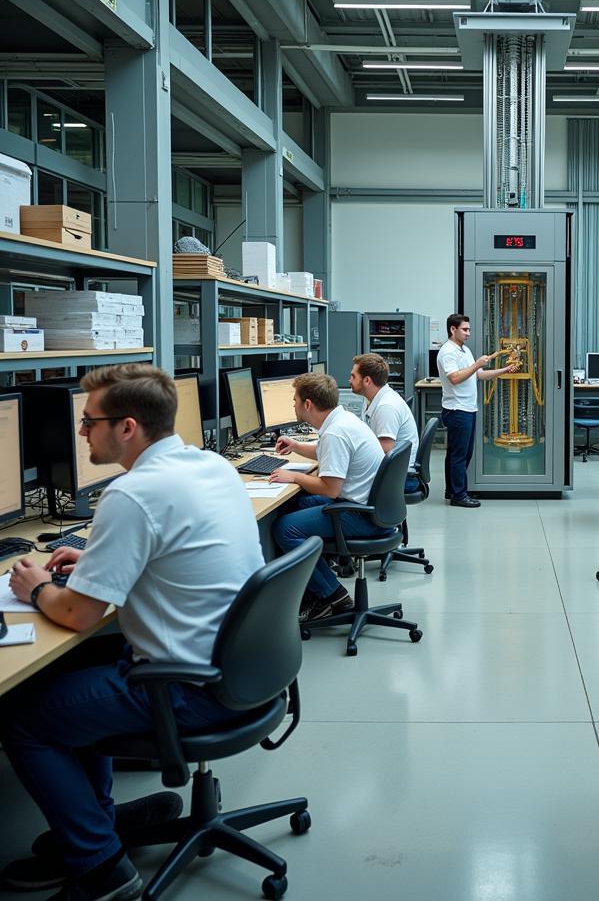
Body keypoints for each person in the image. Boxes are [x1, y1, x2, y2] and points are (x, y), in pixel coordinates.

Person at [0, 363, 264, 901]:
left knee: (22, 719)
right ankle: (97, 821)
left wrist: (34, 588)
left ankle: (101, 868)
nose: (80, 432)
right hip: (242, 668)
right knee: (72, 667)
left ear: (126, 428)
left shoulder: (132, 494)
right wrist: (99, 555)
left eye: (88, 420)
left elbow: (77, 615)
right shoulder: (209, 464)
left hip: (189, 688)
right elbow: (166, 544)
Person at [271, 372, 391, 621]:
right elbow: (325, 451)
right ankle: (310, 590)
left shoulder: (335, 432)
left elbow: (330, 489)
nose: (292, 404)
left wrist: (293, 477)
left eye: (294, 399)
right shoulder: (342, 420)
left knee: (284, 528)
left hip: (361, 515)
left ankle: (332, 595)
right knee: (293, 505)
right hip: (372, 507)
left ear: (307, 404)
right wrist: (295, 446)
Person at [436, 313, 516, 508]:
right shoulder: (448, 352)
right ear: (452, 329)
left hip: (467, 408)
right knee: (459, 455)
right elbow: (455, 378)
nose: (468, 333)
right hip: (457, 410)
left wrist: (503, 370)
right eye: (464, 329)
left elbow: (478, 375)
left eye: (469, 329)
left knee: (459, 453)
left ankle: (452, 491)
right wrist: (476, 364)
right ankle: (459, 496)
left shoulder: (464, 350)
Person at [348, 352, 420, 494]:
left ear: (367, 381)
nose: (349, 380)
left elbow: (386, 448)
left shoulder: (386, 406)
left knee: (334, 483)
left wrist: (350, 452)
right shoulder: (371, 399)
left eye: (353, 376)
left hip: (400, 477)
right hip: (391, 470)